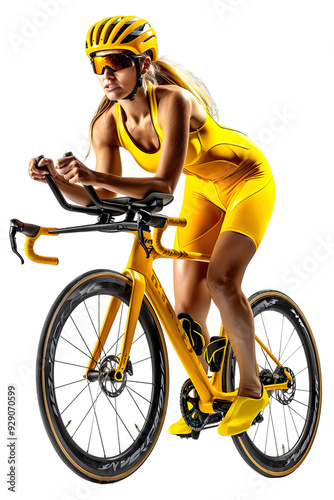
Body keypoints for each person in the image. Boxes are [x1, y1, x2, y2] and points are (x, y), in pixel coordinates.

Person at [28, 15, 275, 436]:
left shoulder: (173, 101)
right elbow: (101, 198)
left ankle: (252, 390)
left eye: (117, 62)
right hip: (204, 190)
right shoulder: (107, 124)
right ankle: (209, 391)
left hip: (246, 181)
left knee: (221, 281)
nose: (107, 75)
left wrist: (94, 176)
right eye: (98, 65)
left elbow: (162, 184)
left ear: (143, 64)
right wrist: (58, 179)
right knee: (187, 319)